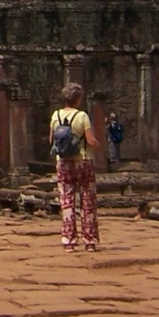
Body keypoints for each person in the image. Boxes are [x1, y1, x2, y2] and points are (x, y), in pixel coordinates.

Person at [50, 83, 99, 252]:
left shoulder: (55, 115)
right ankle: (90, 240)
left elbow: (52, 140)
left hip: (63, 162)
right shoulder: (82, 116)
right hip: (83, 160)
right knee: (88, 201)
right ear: (78, 99)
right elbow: (90, 140)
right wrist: (96, 144)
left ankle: (68, 241)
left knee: (67, 202)